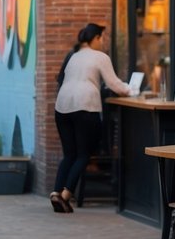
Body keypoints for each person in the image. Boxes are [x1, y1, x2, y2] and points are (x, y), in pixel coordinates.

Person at [51, 23, 137, 213]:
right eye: (102, 38)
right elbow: (114, 84)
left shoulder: (73, 56)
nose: (103, 42)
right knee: (83, 155)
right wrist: (133, 91)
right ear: (96, 38)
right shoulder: (100, 57)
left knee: (69, 154)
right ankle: (65, 195)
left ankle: (55, 192)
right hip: (85, 107)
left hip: (62, 107)